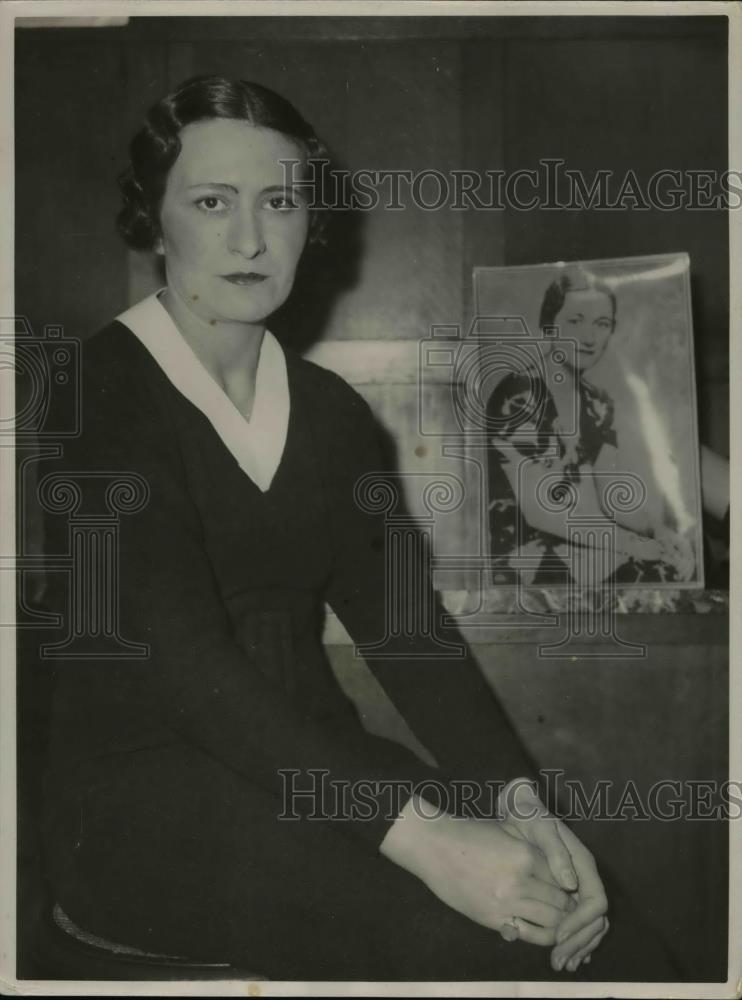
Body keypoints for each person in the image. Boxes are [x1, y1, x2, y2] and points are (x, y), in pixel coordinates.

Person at [39, 76, 678, 982]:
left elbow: (406, 632)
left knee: (612, 935)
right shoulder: (95, 389)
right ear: (154, 219)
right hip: (140, 801)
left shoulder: (332, 414)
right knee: (476, 945)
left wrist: (519, 804)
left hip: (318, 774)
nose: (251, 238)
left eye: (281, 202)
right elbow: (183, 665)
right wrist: (433, 841)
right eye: (212, 202)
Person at [486, 267, 697, 587]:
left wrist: (659, 531)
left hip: (579, 547)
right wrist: (635, 545)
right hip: (520, 557)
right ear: (549, 325)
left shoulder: (598, 404)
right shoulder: (519, 396)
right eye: (575, 321)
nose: (588, 338)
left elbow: (610, 499)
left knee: (672, 569)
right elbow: (540, 512)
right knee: (651, 576)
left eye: (602, 325)